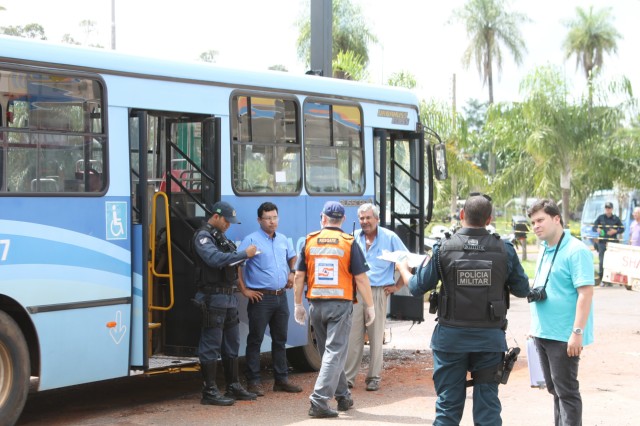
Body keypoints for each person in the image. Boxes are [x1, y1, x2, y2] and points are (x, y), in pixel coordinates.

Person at [396, 193, 529, 426]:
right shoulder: (504, 249)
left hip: (450, 341)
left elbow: (417, 287)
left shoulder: (443, 248)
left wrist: (403, 268)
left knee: (448, 408)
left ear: (461, 215)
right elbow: (522, 289)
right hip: (489, 341)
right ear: (489, 219)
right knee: (488, 409)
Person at [293, 201, 376, 418]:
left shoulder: (309, 241)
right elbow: (361, 278)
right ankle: (319, 400)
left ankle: (342, 396)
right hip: (340, 305)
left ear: (323, 218)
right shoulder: (348, 243)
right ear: (344, 220)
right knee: (334, 352)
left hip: (316, 306)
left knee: (329, 353)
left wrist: (297, 304)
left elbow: (299, 276)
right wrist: (371, 306)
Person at [527, 199, 594, 426]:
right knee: (555, 390)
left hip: (564, 335)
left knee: (567, 392)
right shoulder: (544, 249)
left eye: (540, 220)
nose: (535, 226)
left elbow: (585, 294)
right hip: (542, 332)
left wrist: (577, 332)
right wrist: (534, 327)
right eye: (533, 222)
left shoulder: (576, 251)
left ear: (556, 219)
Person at [191, 201, 258, 406]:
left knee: (232, 343)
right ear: (216, 216)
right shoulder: (203, 236)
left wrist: (239, 259)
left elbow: (229, 259)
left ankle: (233, 385)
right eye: (227, 221)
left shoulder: (220, 236)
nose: (229, 225)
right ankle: (209, 390)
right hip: (213, 297)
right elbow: (215, 259)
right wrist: (243, 254)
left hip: (228, 297)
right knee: (211, 344)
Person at [237, 202, 302, 396]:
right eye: (267, 218)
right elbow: (237, 264)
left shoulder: (283, 239)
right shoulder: (251, 240)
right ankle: (254, 382)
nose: (272, 222)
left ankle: (281, 380)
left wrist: (292, 272)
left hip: (281, 297)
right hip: (260, 298)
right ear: (259, 220)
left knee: (280, 340)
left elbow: (293, 256)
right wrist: (244, 290)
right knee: (255, 340)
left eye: (274, 217)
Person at [344, 203, 408, 391]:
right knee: (353, 336)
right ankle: (348, 378)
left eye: (368, 218)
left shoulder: (390, 237)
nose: (365, 222)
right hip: (355, 292)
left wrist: (397, 286)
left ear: (377, 219)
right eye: (362, 218)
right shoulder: (353, 238)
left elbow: (406, 261)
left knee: (375, 336)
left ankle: (373, 377)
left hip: (378, 292)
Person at [592, 201, 624, 285]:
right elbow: (594, 226)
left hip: (612, 243)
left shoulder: (615, 218)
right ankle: (602, 279)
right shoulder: (601, 217)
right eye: (606, 208)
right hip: (602, 242)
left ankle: (610, 280)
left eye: (609, 208)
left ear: (612, 209)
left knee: (612, 261)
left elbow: (622, 228)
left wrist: (615, 231)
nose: (607, 209)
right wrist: (597, 229)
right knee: (602, 261)